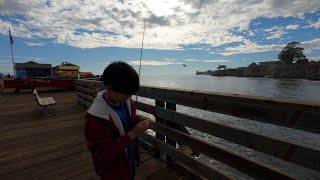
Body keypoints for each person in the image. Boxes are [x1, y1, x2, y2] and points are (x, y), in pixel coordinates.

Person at [85, 61, 151, 180]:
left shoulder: (126, 102)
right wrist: (133, 134)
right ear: (110, 89)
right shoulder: (95, 119)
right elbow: (103, 153)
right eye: (127, 93)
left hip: (128, 161)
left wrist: (141, 119)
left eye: (132, 93)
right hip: (112, 170)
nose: (130, 97)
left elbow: (130, 119)